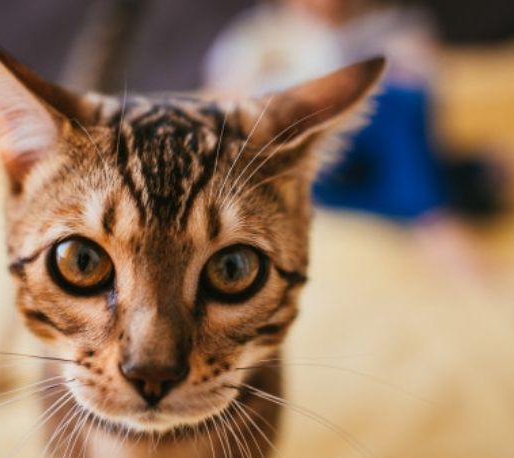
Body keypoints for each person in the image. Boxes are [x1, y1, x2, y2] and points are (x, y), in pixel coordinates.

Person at [205, 0, 497, 282]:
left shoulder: (395, 26)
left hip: (380, 152)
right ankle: (438, 214)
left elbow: (424, 106)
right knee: (484, 174)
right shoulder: (258, 35)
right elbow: (224, 111)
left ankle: (445, 193)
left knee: (395, 100)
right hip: (310, 160)